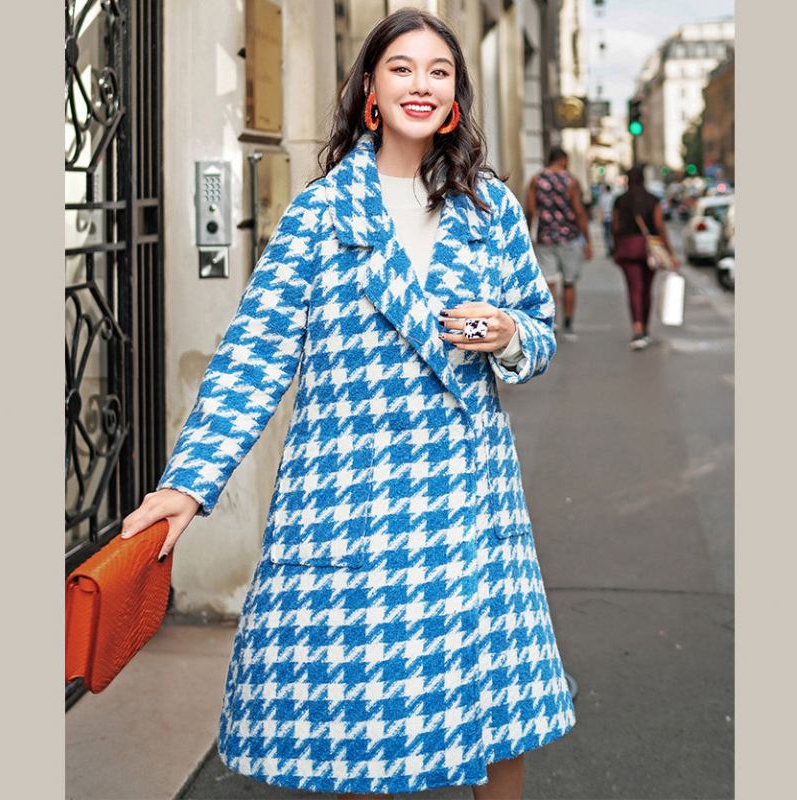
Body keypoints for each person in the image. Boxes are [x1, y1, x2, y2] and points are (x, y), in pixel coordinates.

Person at [120, 8, 575, 800]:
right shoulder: (321, 215)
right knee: (353, 719)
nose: (420, 85)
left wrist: (507, 333)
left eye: (438, 71)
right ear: (370, 86)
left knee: (497, 710)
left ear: (457, 95)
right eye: (401, 68)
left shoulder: (489, 207)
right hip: (348, 502)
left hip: (467, 494)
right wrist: (187, 483)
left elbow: (539, 335)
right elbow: (254, 357)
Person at [525, 146, 593, 341]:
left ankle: (552, 321)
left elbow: (530, 210)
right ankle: (569, 323)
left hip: (545, 238)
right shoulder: (571, 181)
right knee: (569, 282)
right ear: (563, 160)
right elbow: (579, 212)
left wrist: (530, 235)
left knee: (549, 281)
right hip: (569, 238)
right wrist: (587, 240)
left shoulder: (536, 180)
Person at [612, 165, 679, 350]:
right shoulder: (653, 200)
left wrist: (616, 250)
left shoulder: (619, 200)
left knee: (634, 289)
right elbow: (659, 227)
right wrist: (670, 253)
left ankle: (637, 327)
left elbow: (615, 228)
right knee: (646, 289)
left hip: (626, 247)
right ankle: (646, 328)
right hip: (649, 250)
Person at [598, 182, 616, 256]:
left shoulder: (603, 197)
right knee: (612, 234)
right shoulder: (613, 197)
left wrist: (600, 218)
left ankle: (609, 249)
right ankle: (613, 248)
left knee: (607, 234)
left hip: (606, 218)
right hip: (612, 218)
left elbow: (600, 209)